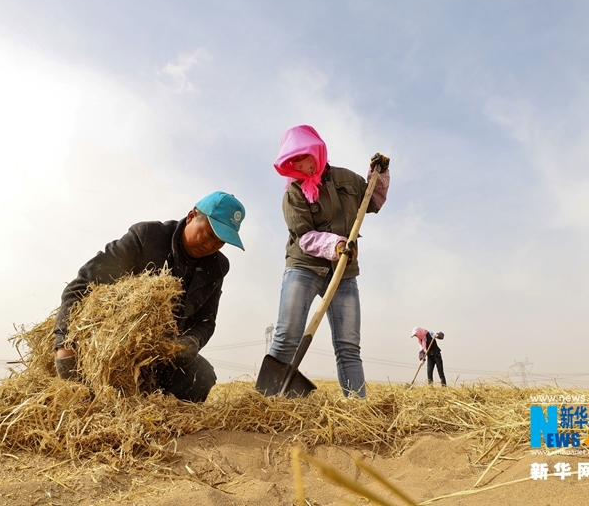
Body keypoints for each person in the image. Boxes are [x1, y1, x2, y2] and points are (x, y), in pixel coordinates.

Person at [52, 191, 246, 402]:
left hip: (159, 356)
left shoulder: (217, 267)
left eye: (220, 242)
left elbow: (207, 321)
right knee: (90, 399)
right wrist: (65, 344)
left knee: (202, 376)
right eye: (208, 234)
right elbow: (81, 286)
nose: (210, 246)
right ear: (191, 216)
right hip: (110, 351)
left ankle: (152, 408)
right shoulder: (147, 237)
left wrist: (192, 341)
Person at [267, 125, 390, 398]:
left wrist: (379, 174)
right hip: (304, 267)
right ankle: (266, 401)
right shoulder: (294, 193)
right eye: (293, 161)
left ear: (317, 150)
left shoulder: (347, 179)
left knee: (348, 346)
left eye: (303, 156)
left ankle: (358, 409)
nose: (300, 164)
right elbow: (304, 237)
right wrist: (335, 245)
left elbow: (374, 200)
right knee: (287, 336)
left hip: (343, 271)